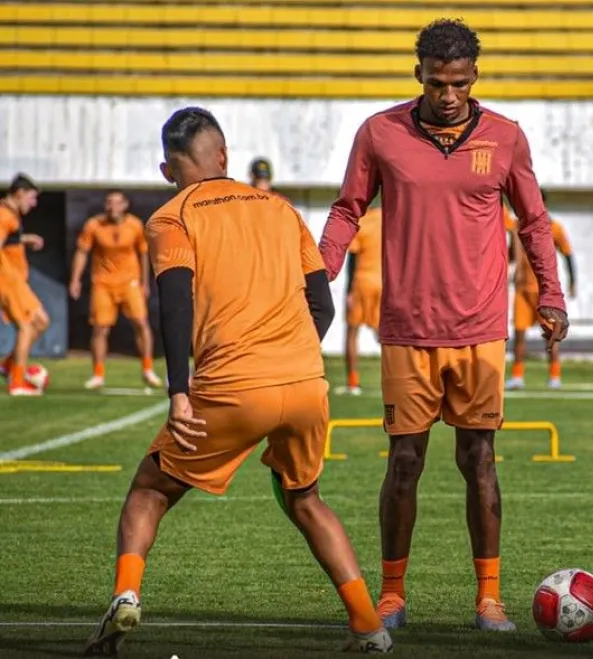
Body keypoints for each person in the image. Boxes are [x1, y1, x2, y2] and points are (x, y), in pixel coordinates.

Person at [84, 107, 391, 656]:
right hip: (304, 383)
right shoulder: (281, 208)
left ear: (166, 168)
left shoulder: (171, 217)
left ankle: (125, 596)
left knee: (149, 491)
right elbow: (320, 303)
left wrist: (179, 388)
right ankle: (369, 627)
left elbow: (174, 304)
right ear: (223, 155)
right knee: (306, 499)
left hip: (231, 387)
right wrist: (291, 354)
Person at [319, 18, 568, 632]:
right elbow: (348, 209)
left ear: (474, 76)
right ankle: (392, 595)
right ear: (419, 75)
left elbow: (534, 222)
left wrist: (551, 295)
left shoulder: (506, 138)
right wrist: (315, 276)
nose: (448, 94)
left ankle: (489, 598)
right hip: (406, 326)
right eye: (436, 82)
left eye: (458, 82)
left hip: (480, 327)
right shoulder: (380, 133)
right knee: (404, 461)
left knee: (479, 458)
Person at [69, 189, 162, 389]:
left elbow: (143, 253)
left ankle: (147, 369)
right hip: (102, 282)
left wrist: (145, 283)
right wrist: (75, 279)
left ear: (125, 205)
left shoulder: (135, 225)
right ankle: (98, 374)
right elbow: (82, 252)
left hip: (130, 282)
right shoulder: (94, 225)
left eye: (116, 203)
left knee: (141, 323)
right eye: (108, 203)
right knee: (100, 328)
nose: (112, 207)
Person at [506, 189, 575, 390]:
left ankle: (554, 376)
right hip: (522, 289)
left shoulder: (554, 228)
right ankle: (517, 376)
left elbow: (568, 254)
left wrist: (572, 281)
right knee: (519, 334)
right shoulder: (519, 226)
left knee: (550, 334)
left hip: (543, 290)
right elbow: (511, 252)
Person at [0, 174, 49, 396]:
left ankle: (8, 366)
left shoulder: (10, 215)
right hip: (6, 280)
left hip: (15, 280)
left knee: (41, 321)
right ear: (19, 193)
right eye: (31, 198)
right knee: (27, 326)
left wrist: (24, 239)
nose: (33, 203)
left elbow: (7, 241)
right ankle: (16, 382)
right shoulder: (4, 215)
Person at [343, 206, 383, 395]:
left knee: (352, 331)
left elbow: (353, 258)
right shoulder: (392, 220)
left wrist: (349, 291)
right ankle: (395, 376)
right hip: (384, 283)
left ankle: (352, 381)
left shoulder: (361, 221)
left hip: (362, 281)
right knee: (386, 335)